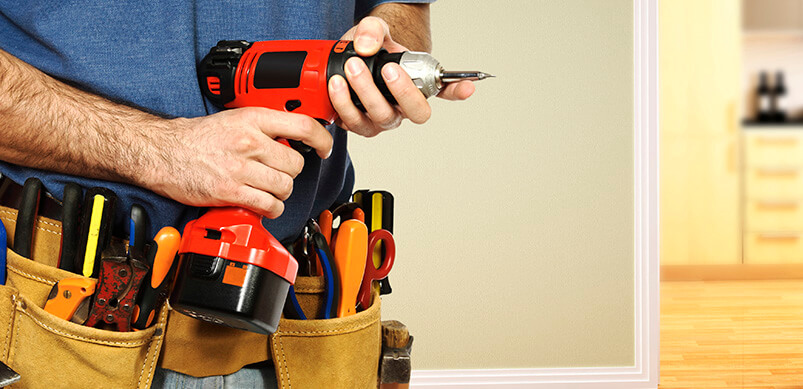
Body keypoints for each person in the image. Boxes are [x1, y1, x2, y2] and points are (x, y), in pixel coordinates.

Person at [0, 0, 474, 387]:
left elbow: (406, 9)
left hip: (303, 315)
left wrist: (382, 59)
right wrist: (155, 150)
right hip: (65, 307)